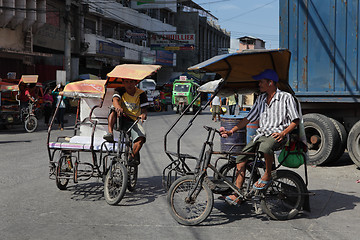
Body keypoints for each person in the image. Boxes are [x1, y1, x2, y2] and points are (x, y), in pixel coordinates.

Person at [220, 69, 300, 205]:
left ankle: (268, 174)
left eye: (261, 82)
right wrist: (231, 131)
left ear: (270, 83)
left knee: (266, 146)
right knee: (241, 157)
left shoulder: (286, 97)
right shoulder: (261, 98)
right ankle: (237, 194)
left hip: (278, 135)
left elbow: (295, 120)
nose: (259, 84)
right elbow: (248, 119)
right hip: (261, 135)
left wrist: (283, 133)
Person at [103, 79, 148, 165]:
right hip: (119, 119)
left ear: (135, 83)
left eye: (131, 82)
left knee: (141, 138)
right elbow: (115, 100)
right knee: (113, 109)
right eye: (126, 82)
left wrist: (143, 115)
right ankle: (110, 133)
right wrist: (118, 107)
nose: (129, 84)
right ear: (123, 83)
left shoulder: (141, 94)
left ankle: (132, 156)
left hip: (133, 122)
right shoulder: (119, 90)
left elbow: (144, 111)